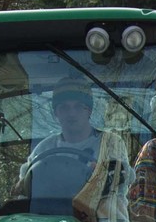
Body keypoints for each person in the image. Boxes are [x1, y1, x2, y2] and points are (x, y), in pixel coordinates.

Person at [20, 84, 100, 212]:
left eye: (79, 107)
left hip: (99, 217)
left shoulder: (109, 144)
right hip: (49, 218)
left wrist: (103, 175)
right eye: (64, 107)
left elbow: (122, 177)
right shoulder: (44, 148)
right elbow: (26, 184)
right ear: (56, 113)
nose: (72, 113)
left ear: (89, 111)